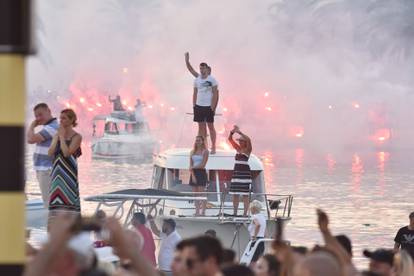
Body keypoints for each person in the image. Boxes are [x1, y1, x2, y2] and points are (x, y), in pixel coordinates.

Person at [48, 109, 82, 214]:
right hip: (56, 173)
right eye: (60, 118)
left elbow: (67, 153)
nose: (61, 120)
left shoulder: (77, 137)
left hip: (68, 173)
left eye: (64, 118)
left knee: (69, 198)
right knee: (55, 202)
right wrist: (57, 137)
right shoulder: (56, 135)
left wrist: (62, 137)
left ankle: (71, 224)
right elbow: (50, 153)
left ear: (72, 120)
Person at [185, 52, 219, 154]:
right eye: (200, 68)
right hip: (199, 106)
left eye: (203, 68)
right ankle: (205, 147)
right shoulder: (197, 79)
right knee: (201, 128)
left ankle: (213, 146)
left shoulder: (212, 80)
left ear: (207, 69)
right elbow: (194, 92)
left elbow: (215, 94)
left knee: (211, 127)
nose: (201, 70)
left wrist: (213, 108)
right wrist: (187, 61)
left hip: (208, 107)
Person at [27, 103, 59, 208]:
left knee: (49, 203)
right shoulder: (49, 127)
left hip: (46, 169)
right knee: (49, 201)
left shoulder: (53, 127)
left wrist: (32, 125)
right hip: (43, 169)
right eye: (36, 116)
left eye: (40, 114)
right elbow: (30, 139)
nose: (38, 118)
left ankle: (52, 223)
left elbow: (31, 139)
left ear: (48, 111)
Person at [228, 125, 252, 216]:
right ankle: (235, 212)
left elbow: (249, 140)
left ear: (245, 142)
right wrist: (232, 132)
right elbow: (230, 139)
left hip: (244, 173)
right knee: (235, 194)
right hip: (237, 173)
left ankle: (245, 213)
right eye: (240, 140)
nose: (241, 142)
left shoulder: (248, 150)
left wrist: (239, 132)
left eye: (242, 140)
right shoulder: (238, 148)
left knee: (245, 195)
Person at [189, 135, 209, 216]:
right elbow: (190, 165)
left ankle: (203, 211)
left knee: (202, 193)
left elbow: (203, 164)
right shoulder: (192, 151)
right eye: (196, 140)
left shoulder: (205, 151)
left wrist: (193, 167)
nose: (197, 142)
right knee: (195, 194)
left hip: (201, 172)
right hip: (194, 172)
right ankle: (197, 211)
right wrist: (193, 175)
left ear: (202, 141)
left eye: (199, 140)